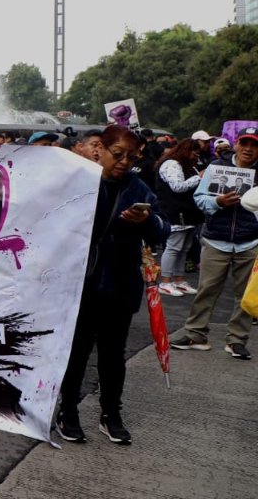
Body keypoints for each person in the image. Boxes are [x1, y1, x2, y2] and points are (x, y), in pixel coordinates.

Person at [56, 126, 170, 445]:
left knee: (112, 354)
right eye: (117, 154)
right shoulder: (79, 182)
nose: (123, 162)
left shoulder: (138, 187)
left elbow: (163, 230)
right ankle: (68, 412)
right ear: (100, 150)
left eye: (131, 157)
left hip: (121, 286)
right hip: (80, 284)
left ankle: (111, 414)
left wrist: (146, 221)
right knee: (76, 352)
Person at [171, 126, 258, 359]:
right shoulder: (216, 167)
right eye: (244, 143)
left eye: (254, 145)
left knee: (245, 295)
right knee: (207, 290)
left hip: (250, 242)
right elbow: (199, 198)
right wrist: (218, 201)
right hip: (216, 240)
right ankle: (195, 334)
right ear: (236, 144)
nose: (248, 149)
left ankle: (237, 340)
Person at [155, 139, 205, 297]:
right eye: (194, 153)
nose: (196, 157)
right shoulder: (172, 164)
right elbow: (177, 187)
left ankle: (178, 279)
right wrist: (199, 177)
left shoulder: (187, 166)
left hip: (187, 213)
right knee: (173, 247)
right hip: (176, 212)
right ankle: (166, 281)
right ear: (186, 151)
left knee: (183, 248)